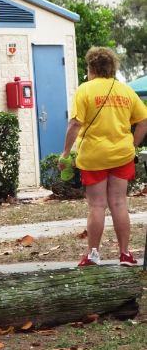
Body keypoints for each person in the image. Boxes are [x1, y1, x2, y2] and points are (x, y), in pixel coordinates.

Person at [59, 46, 147, 267]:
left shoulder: (85, 90)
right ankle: (125, 254)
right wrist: (132, 145)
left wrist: (66, 153)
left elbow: (75, 123)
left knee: (97, 205)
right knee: (119, 203)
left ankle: (93, 255)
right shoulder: (126, 91)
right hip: (122, 156)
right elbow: (143, 121)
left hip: (94, 157)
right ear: (112, 68)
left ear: (91, 67)